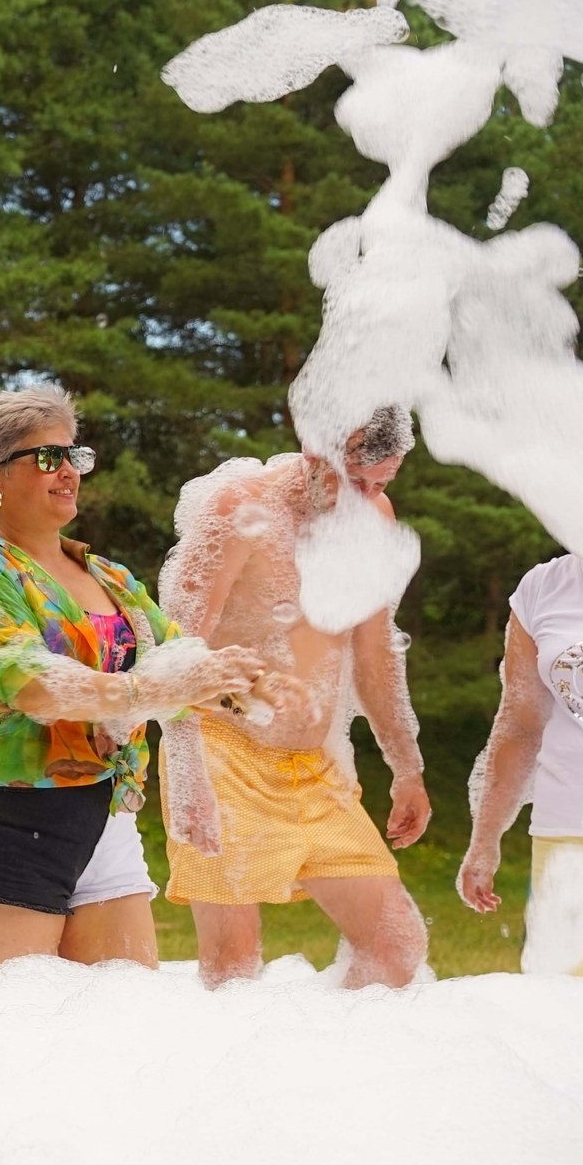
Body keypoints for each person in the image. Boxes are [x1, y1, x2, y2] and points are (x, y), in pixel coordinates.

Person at [0, 386, 269, 976]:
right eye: (46, 457)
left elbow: (177, 660)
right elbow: (32, 684)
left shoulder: (108, 575)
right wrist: (149, 691)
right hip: (10, 817)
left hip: (108, 818)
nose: (68, 472)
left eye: (74, 456)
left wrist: (237, 685)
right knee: (17, 1033)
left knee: (122, 1028)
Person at [157, 406, 432, 988]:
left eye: (380, 484)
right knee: (234, 965)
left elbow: (376, 653)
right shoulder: (238, 509)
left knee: (397, 946)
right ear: (315, 448)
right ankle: (239, 1075)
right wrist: (187, 778)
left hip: (313, 765)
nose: (366, 497)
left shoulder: (372, 520)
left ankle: (331, 1069)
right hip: (221, 748)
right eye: (354, 479)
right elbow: (173, 652)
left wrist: (406, 766)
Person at [458, 549, 583, 977]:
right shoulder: (541, 588)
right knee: (566, 1005)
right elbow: (519, 724)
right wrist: (485, 840)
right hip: (569, 836)